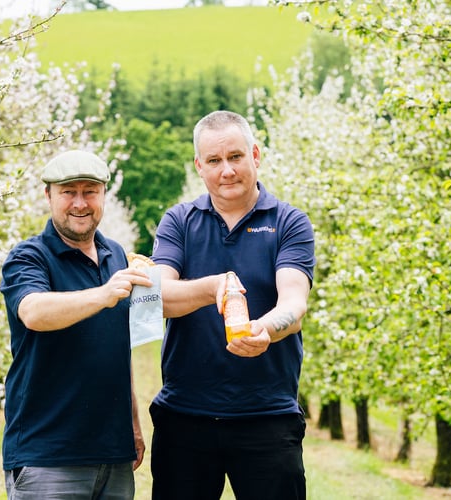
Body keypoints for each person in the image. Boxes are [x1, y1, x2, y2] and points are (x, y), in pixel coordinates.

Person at [150, 110, 316, 500]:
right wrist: (213, 288)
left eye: (236, 157)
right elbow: (157, 298)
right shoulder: (178, 222)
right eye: (214, 161)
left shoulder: (290, 222)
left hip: (268, 418)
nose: (226, 170)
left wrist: (267, 329)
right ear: (199, 166)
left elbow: (294, 301)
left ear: (255, 155)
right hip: (184, 418)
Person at [0, 150, 150, 500]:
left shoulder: (117, 255)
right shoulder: (28, 257)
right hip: (48, 457)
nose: (80, 203)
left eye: (90, 191)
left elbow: (116, 348)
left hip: (114, 457)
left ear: (103, 196)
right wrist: (105, 293)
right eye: (69, 192)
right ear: (48, 196)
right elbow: (34, 312)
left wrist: (133, 428)